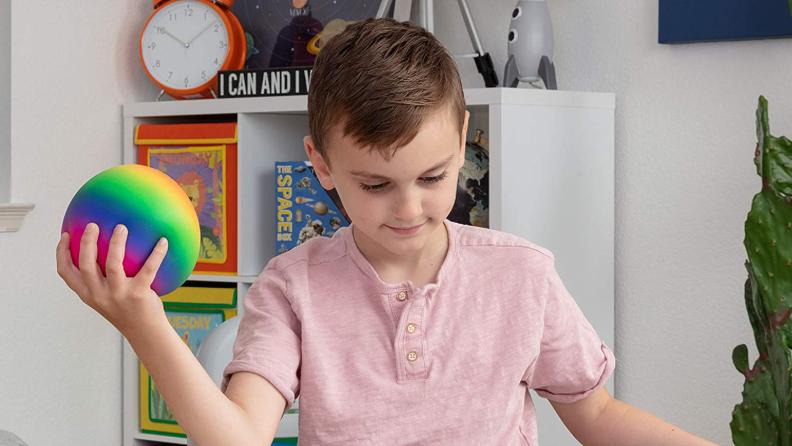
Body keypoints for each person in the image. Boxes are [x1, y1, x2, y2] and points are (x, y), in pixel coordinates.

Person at [56, 17, 718, 446]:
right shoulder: (292, 288)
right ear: (321, 164)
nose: (408, 207)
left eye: (432, 177)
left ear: (462, 140)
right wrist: (144, 322)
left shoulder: (522, 274)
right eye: (375, 185)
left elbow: (597, 416)